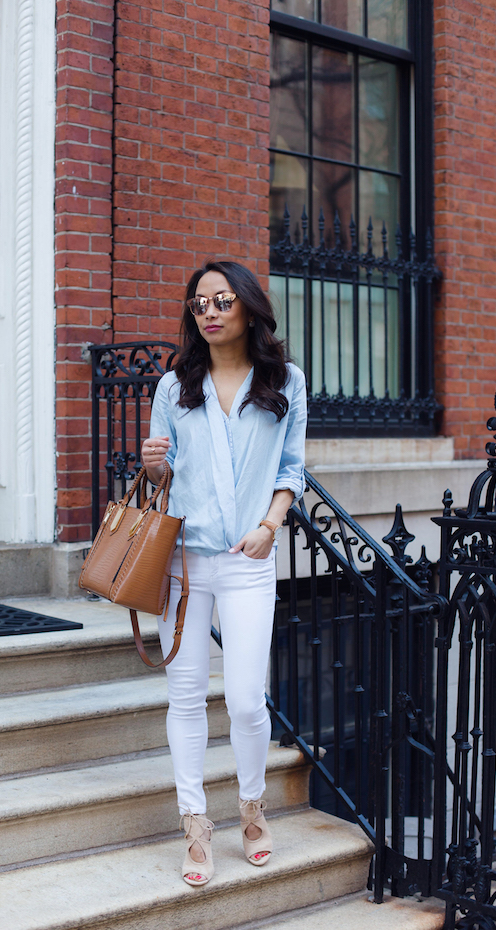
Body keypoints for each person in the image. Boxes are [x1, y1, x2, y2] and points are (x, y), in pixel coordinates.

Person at [141, 260, 307, 887]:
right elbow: (162, 475)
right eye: (198, 303)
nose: (208, 312)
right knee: (184, 698)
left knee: (243, 700)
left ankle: (252, 808)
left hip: (246, 561)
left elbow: (291, 468)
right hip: (183, 564)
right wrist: (155, 462)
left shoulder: (285, 382)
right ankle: (196, 826)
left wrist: (269, 527)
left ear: (247, 307)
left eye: (221, 300)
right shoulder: (173, 386)